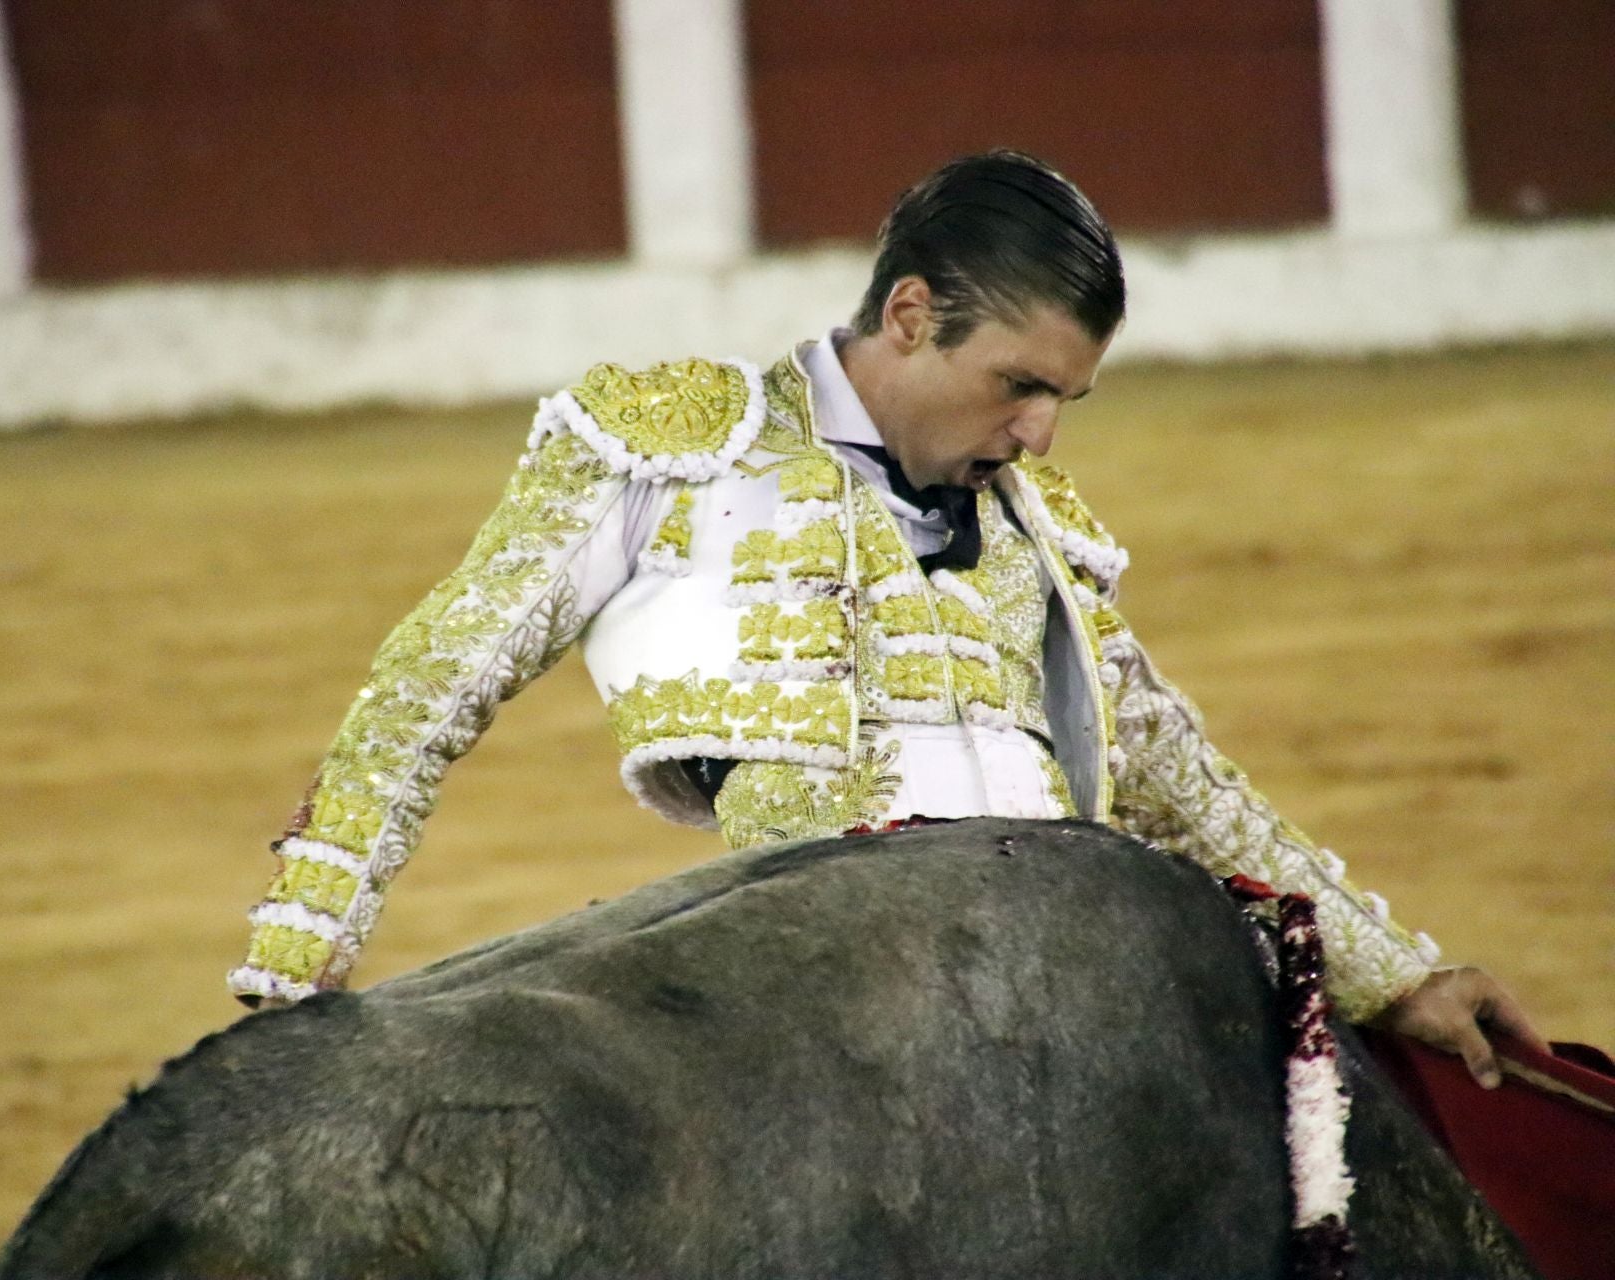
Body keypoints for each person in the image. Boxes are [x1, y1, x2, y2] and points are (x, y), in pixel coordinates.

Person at [227, 150, 1538, 1086]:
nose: (1036, 431)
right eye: (1018, 384)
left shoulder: (1044, 526)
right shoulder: (681, 445)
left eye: (1068, 399)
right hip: (820, 1000)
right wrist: (295, 974)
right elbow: (429, 685)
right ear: (911, 314)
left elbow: (1175, 778)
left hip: (1065, 983)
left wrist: (1398, 974)